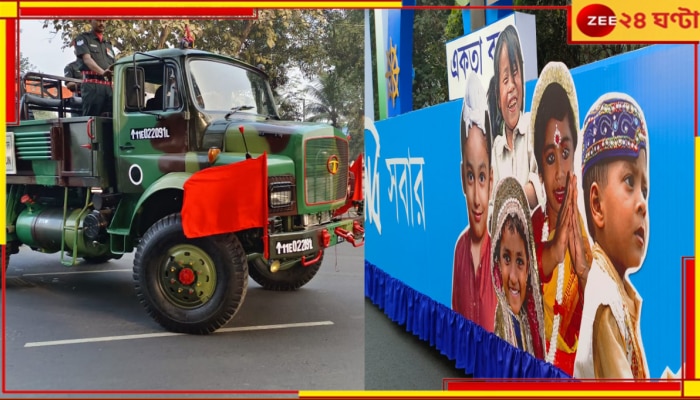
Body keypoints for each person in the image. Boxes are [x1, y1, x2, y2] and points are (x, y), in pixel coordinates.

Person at [574, 93, 649, 379]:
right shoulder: (606, 303)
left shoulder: (615, 292)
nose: (642, 203)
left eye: (645, 189)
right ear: (596, 206)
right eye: (630, 182)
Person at [529, 62, 591, 375]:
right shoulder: (532, 227)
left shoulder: (590, 233)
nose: (560, 173)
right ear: (540, 167)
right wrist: (553, 250)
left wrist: (582, 270)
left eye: (565, 153)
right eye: (550, 158)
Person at [452, 72, 496, 332]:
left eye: (482, 177)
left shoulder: (503, 253)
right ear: (461, 179)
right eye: (471, 177)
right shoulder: (459, 250)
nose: (477, 199)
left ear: (491, 179)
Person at [490, 25, 544, 211]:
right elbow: (492, 208)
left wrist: (512, 198)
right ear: (498, 97)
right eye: (505, 80)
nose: (512, 86)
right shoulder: (496, 150)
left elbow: (542, 183)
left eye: (515, 74)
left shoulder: (534, 126)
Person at [491, 176, 545, 359]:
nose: (513, 277)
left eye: (520, 261)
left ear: (529, 267)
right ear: (496, 262)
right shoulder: (499, 338)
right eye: (506, 258)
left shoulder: (531, 326)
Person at [74, 19, 115, 117]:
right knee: (92, 120)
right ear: (90, 21)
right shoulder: (83, 38)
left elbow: (113, 65)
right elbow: (87, 59)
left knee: (111, 119)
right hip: (92, 86)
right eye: (98, 20)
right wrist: (102, 72)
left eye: (104, 21)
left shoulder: (108, 44)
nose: (102, 23)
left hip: (108, 87)